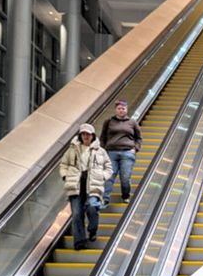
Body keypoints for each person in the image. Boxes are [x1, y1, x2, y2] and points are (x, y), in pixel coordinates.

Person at [59, 123, 112, 251]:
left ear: (92, 135)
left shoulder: (100, 151)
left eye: (88, 134)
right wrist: (65, 176)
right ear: (80, 135)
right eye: (83, 134)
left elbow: (109, 167)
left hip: (93, 184)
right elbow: (63, 164)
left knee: (92, 207)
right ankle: (79, 241)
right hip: (76, 185)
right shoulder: (72, 149)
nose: (85, 136)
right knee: (77, 214)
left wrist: (102, 176)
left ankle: (92, 230)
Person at [100, 99, 142, 207]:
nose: (121, 110)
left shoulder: (132, 123)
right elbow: (103, 137)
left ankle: (125, 195)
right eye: (119, 108)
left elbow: (139, 138)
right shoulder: (108, 121)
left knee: (125, 177)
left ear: (127, 109)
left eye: (123, 108)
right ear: (116, 110)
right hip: (111, 153)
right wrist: (104, 149)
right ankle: (105, 199)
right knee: (109, 176)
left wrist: (135, 148)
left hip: (127, 153)